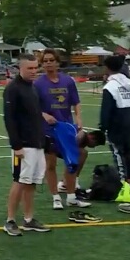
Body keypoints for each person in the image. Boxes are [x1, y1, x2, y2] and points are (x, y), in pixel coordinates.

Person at [34, 49, 89, 210]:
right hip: (48, 130)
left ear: (58, 62)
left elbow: (76, 102)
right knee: (50, 164)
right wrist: (44, 115)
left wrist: (78, 118)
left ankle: (71, 196)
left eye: (52, 60)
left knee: (72, 161)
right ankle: (55, 197)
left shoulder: (68, 81)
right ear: (42, 64)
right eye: (45, 61)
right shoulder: (38, 84)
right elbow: (33, 107)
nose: (49, 63)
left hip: (67, 128)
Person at [2, 54, 50, 236]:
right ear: (20, 68)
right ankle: (10, 220)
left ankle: (29, 219)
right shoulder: (13, 89)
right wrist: (16, 145)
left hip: (37, 143)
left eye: (35, 67)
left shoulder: (33, 88)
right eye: (29, 68)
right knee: (20, 181)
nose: (34, 71)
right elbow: (9, 118)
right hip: (23, 145)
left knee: (32, 183)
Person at [99, 55, 130, 185]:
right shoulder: (129, 84)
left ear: (107, 68)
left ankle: (123, 179)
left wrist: (103, 126)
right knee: (127, 150)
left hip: (116, 122)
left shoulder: (110, 86)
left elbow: (106, 109)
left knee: (117, 151)